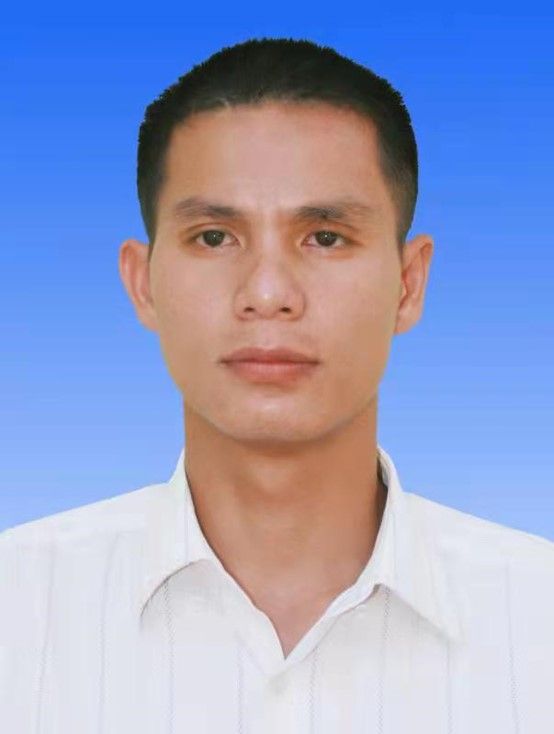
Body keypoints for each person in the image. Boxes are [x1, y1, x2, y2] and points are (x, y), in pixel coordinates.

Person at [1, 37, 552, 734]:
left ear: (409, 284)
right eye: (213, 237)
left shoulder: (537, 617)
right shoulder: (17, 608)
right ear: (143, 284)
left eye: (325, 237)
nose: (267, 293)